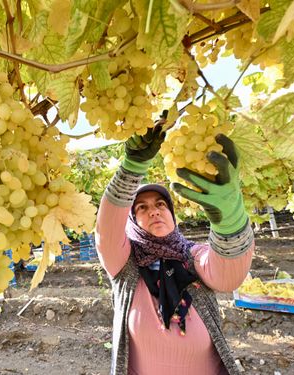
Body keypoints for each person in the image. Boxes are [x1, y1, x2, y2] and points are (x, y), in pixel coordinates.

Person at [96, 120, 254, 375]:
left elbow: (228, 275)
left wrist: (231, 219)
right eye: (142, 208)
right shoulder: (125, 265)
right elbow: (107, 232)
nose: (154, 211)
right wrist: (131, 168)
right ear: (132, 222)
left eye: (161, 204)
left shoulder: (192, 256)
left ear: (171, 213)